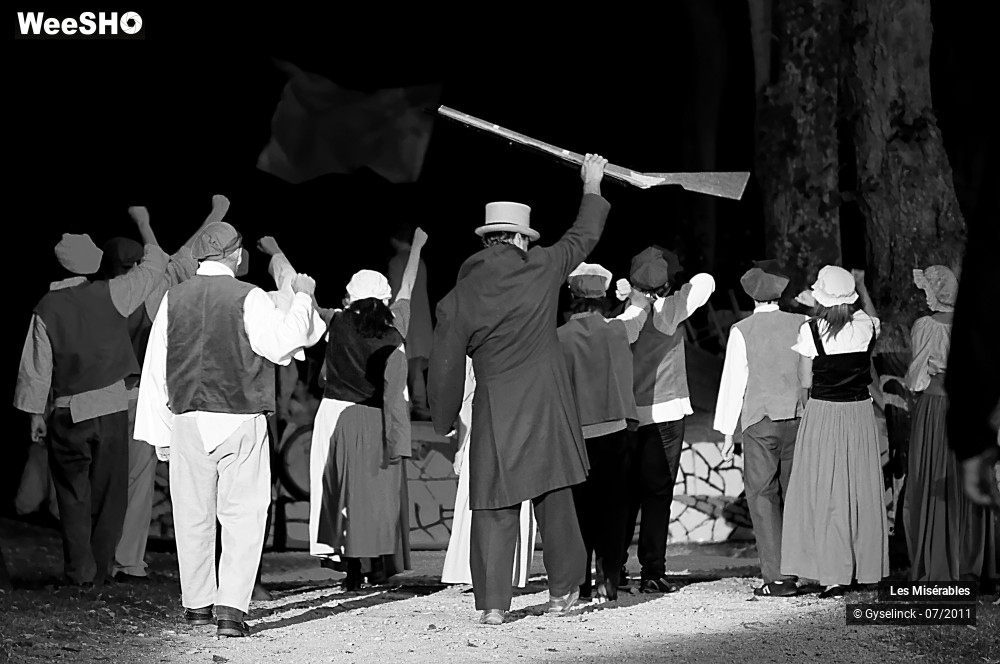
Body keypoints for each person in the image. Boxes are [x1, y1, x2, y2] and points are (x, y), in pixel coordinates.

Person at [428, 154, 609, 626]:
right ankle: (563, 593)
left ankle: (491, 605)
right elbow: (583, 235)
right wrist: (591, 183)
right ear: (519, 238)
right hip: (547, 405)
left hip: (495, 407)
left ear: (488, 238)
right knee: (556, 499)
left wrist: (444, 419)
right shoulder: (543, 267)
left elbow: (445, 365)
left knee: (494, 504)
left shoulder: (458, 294)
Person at [134, 221, 325, 637]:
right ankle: (230, 612)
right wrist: (303, 299)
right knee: (243, 515)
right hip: (239, 416)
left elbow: (156, 369)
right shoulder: (248, 295)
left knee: (192, 516)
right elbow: (280, 344)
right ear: (236, 256)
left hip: (187, 418)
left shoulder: (173, 297)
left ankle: (198, 606)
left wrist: (160, 433)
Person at [14, 212, 168, 588]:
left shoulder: (46, 307)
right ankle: (99, 572)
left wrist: (35, 415)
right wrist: (144, 223)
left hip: (68, 412)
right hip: (112, 408)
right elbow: (157, 264)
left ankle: (79, 572)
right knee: (110, 499)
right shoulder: (113, 294)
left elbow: (36, 366)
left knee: (72, 496)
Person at [103, 195, 230, 582]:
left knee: (105, 482)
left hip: (101, 398)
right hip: (137, 396)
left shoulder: (100, 295)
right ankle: (128, 559)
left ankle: (106, 557)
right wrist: (211, 217)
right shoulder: (151, 291)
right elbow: (182, 258)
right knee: (137, 483)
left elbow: (173, 258)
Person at [309, 229, 427, 589]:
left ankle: (348, 566)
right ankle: (375, 564)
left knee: (337, 490)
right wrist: (417, 249)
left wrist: (278, 256)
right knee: (374, 492)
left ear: (351, 295)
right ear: (384, 296)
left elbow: (306, 304)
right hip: (376, 417)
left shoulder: (336, 321)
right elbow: (407, 287)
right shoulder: (396, 322)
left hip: (335, 414)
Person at [780, 266, 888, 598]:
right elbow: (871, 319)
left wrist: (813, 308)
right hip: (858, 413)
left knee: (824, 491)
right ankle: (864, 568)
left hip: (825, 413)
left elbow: (805, 381)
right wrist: (862, 288)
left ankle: (833, 574)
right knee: (860, 489)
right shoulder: (867, 325)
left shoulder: (810, 330)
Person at [623, 245, 716, 593]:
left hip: (630, 414)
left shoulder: (627, 312)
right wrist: (671, 290)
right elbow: (705, 282)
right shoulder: (673, 308)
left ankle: (614, 567)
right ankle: (652, 571)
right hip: (666, 413)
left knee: (627, 494)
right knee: (658, 494)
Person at [555, 264, 647, 602]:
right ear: (603, 297)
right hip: (614, 429)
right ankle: (608, 580)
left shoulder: (560, 337)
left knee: (578, 511)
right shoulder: (616, 331)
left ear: (573, 296)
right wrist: (635, 291)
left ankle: (578, 583)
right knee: (613, 509)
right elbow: (639, 312)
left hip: (574, 435)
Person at [713, 260, 805, 597]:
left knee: (762, 496)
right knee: (796, 494)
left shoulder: (742, 330)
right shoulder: (803, 323)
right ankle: (804, 567)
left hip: (760, 422)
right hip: (798, 419)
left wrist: (726, 432)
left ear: (750, 294)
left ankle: (778, 578)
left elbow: (733, 383)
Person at [903, 266, 997, 584]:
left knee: (933, 479)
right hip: (970, 409)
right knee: (963, 477)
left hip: (936, 408)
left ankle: (939, 562)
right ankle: (970, 562)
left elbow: (916, 379)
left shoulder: (925, 326)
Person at [442, 357, 536, 587]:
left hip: (485, 428)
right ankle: (511, 572)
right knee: (517, 500)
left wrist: (461, 448)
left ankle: (470, 571)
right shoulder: (530, 342)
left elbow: (467, 401)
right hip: (521, 430)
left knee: (476, 501)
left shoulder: (476, 348)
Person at [388, 222, 434, 420]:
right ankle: (420, 406)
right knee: (415, 366)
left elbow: (397, 292)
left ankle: (409, 408)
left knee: (403, 365)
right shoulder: (420, 261)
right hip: (421, 318)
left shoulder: (396, 261)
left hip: (406, 318)